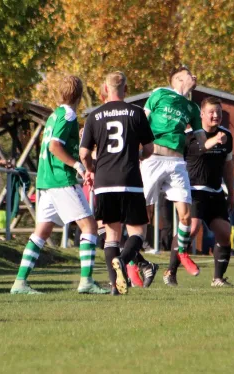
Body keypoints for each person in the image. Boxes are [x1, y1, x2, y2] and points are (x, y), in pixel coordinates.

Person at [11, 75, 107, 295]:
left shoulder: (55, 115)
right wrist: (77, 165)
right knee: (90, 227)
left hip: (45, 181)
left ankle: (19, 282)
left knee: (42, 232)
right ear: (80, 95)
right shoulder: (69, 114)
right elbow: (55, 146)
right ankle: (86, 281)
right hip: (60, 180)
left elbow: (57, 142)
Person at [80, 71, 157, 295]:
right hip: (130, 180)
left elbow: (84, 152)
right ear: (126, 89)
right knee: (138, 233)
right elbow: (150, 148)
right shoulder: (136, 113)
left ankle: (115, 286)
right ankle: (123, 261)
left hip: (104, 182)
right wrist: (138, 156)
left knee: (111, 236)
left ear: (105, 89)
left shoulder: (94, 116)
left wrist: (90, 169)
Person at [141, 65, 206, 284]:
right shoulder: (160, 93)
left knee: (186, 215)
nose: (194, 76)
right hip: (153, 159)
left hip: (177, 162)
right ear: (177, 79)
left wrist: (209, 142)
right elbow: (142, 120)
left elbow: (201, 140)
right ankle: (134, 262)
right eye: (190, 74)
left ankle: (182, 252)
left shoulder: (192, 107)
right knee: (144, 215)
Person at [182, 96, 234, 287]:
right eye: (211, 112)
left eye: (219, 112)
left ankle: (218, 279)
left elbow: (228, 166)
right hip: (194, 190)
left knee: (225, 232)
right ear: (201, 114)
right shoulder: (190, 136)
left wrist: (231, 191)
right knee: (193, 228)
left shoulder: (226, 136)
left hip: (215, 191)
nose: (216, 116)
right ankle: (170, 269)